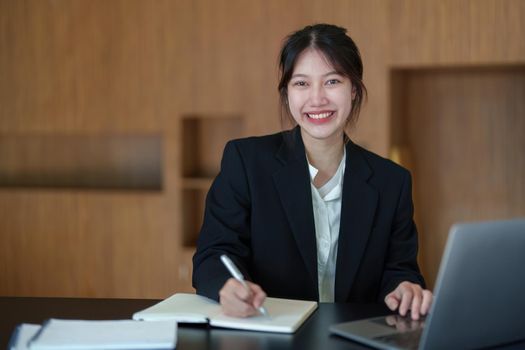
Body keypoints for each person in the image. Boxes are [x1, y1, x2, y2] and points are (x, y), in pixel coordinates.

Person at [192, 23, 433, 320]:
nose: (316, 99)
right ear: (287, 93)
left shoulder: (392, 182)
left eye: (332, 82)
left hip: (354, 338)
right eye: (301, 84)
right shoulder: (246, 162)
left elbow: (400, 269)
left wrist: (405, 287)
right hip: (269, 333)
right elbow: (212, 256)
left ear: (354, 89)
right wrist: (226, 287)